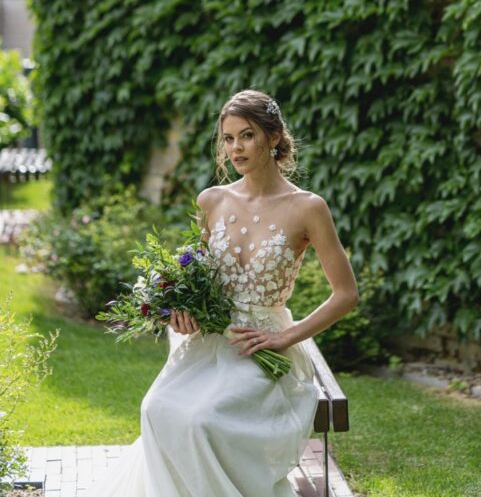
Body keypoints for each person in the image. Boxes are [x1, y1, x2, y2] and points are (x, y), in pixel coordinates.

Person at [81, 89, 359, 497]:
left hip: (261, 347)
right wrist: (181, 312)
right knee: (155, 407)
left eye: (247, 135)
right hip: (210, 340)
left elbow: (346, 294)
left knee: (201, 421)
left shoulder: (307, 208)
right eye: (228, 138)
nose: (235, 148)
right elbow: (201, 279)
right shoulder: (212, 200)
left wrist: (285, 337)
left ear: (274, 137)